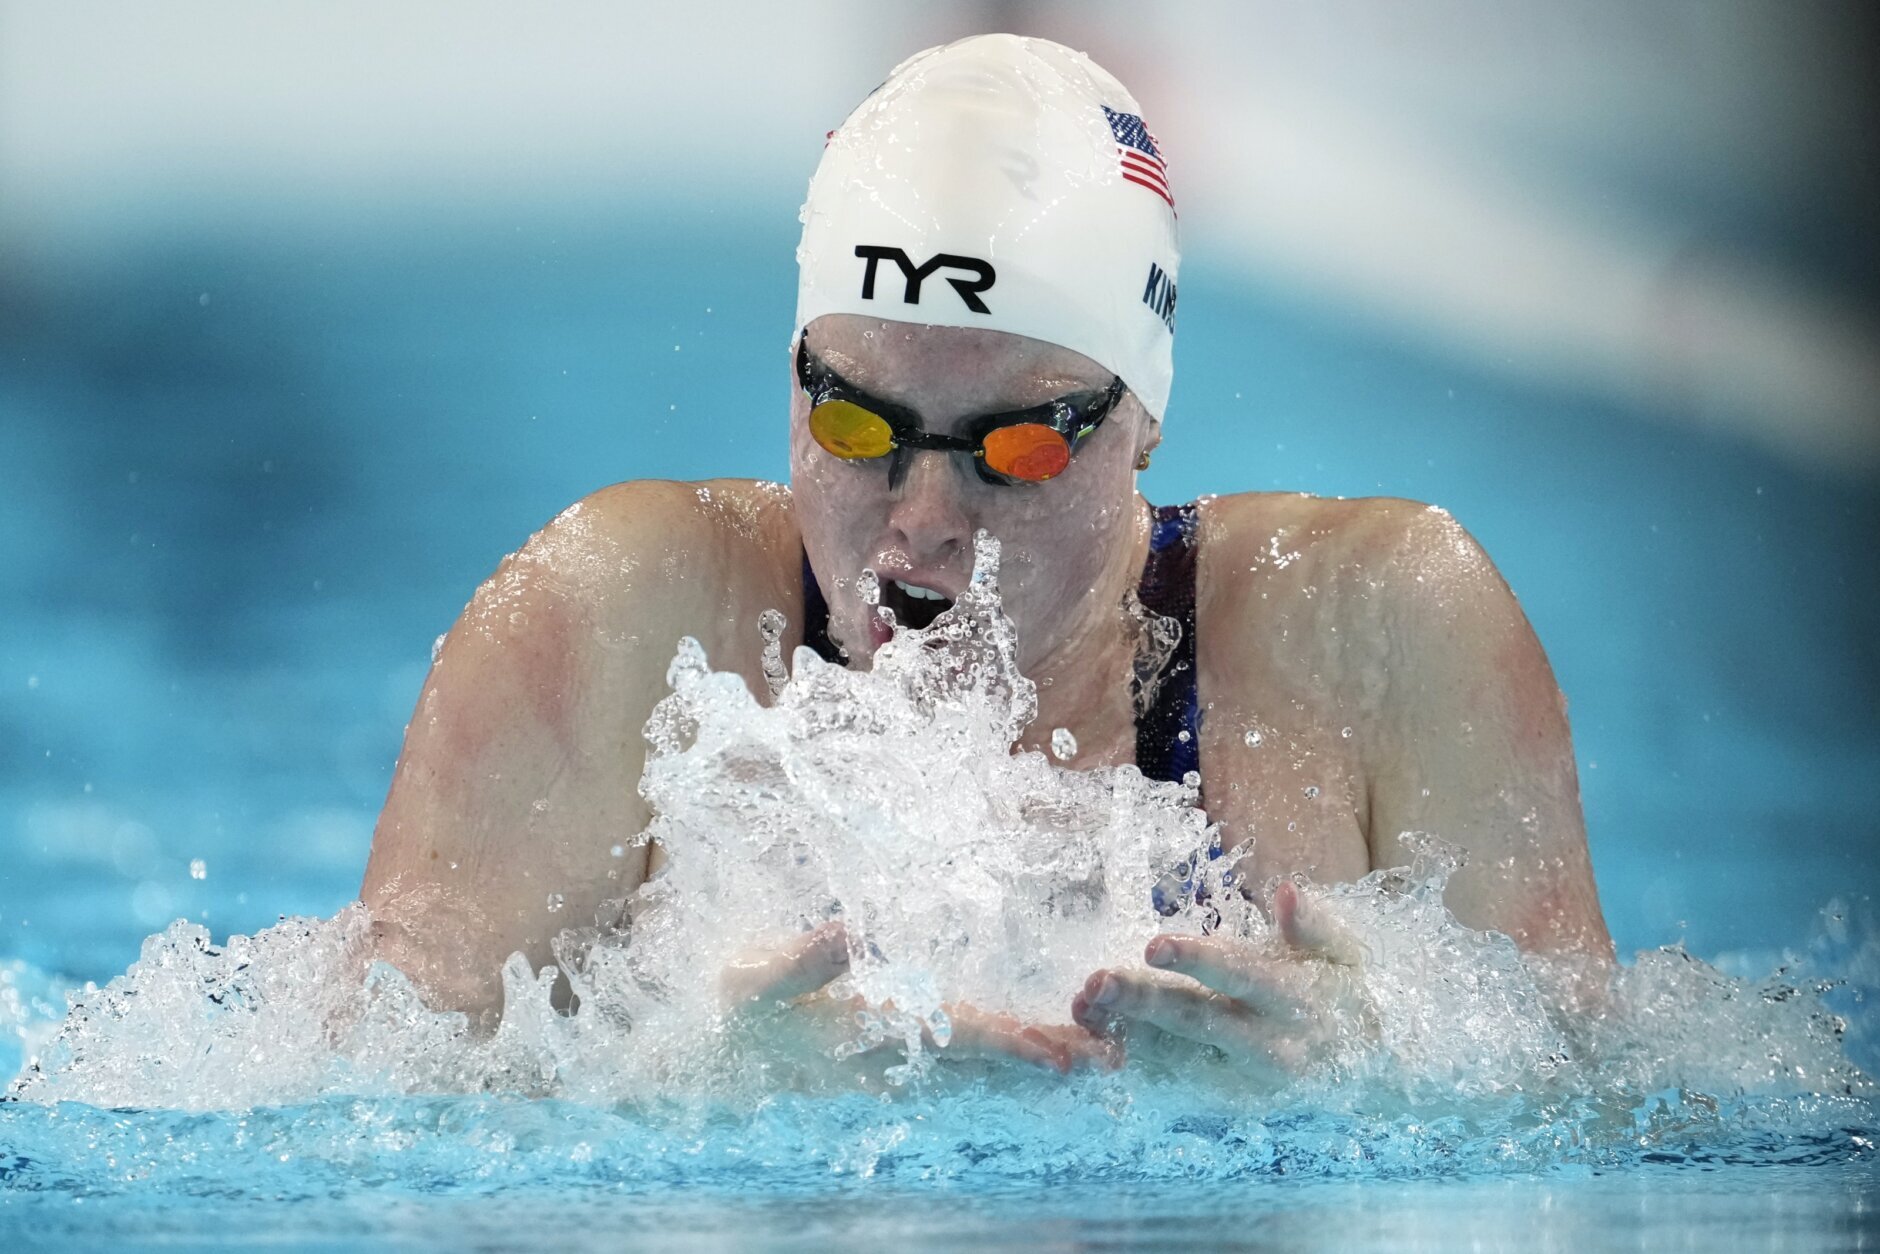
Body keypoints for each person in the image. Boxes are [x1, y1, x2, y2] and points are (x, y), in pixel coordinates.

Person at [361, 34, 1611, 1078]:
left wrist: (1385, 1071)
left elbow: (1628, 1105)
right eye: (855, 423)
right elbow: (350, 1095)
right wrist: (680, 1085)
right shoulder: (623, 614)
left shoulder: (1374, 630)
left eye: (1014, 447)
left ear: (1140, 419)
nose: (921, 518)